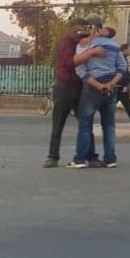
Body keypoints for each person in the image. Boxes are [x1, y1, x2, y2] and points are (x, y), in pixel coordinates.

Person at [44, 17, 106, 168]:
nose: (81, 32)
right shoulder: (66, 41)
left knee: (85, 122)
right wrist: (91, 52)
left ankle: (91, 156)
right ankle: (53, 156)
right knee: (58, 122)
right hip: (64, 86)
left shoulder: (88, 40)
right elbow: (70, 62)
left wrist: (93, 37)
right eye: (79, 29)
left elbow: (109, 33)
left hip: (80, 86)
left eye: (84, 28)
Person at [69, 18, 126, 169]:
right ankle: (110, 158)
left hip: (92, 86)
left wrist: (98, 85)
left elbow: (80, 69)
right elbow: (122, 67)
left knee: (85, 124)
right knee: (108, 125)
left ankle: (80, 159)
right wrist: (111, 84)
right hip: (111, 87)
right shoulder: (114, 45)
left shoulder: (85, 45)